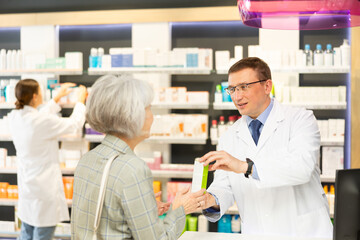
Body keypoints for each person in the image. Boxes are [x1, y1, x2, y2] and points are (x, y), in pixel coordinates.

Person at [199, 57, 333, 238]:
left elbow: (302, 168)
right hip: (258, 233)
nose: (237, 96)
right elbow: (224, 187)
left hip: (303, 232)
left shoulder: (300, 120)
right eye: (232, 89)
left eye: (244, 87)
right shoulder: (229, 137)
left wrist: (245, 167)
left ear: (267, 86)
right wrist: (211, 201)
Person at [71, 75, 206, 240]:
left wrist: (141, 213)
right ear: (132, 115)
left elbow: (101, 220)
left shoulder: (87, 159)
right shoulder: (133, 169)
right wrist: (180, 209)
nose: (152, 117)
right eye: (148, 108)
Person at [8, 79, 87, 240]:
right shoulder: (40, 122)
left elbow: (38, 118)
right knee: (42, 235)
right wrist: (80, 101)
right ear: (35, 96)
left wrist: (56, 98)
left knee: (27, 233)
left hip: (28, 190)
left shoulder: (15, 116)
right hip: (44, 191)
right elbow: (74, 124)